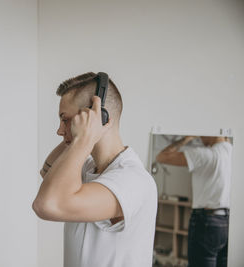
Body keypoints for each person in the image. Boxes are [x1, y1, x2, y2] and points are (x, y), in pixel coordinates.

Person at [32, 72, 158, 267]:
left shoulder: (133, 180)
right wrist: (78, 138)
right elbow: (47, 171)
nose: (59, 130)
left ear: (99, 118)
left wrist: (83, 138)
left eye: (65, 120)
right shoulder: (88, 165)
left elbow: (47, 205)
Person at [156, 135, 232, 267]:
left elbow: (162, 156)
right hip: (228, 222)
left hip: (206, 222)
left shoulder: (205, 154)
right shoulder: (234, 153)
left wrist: (186, 138)